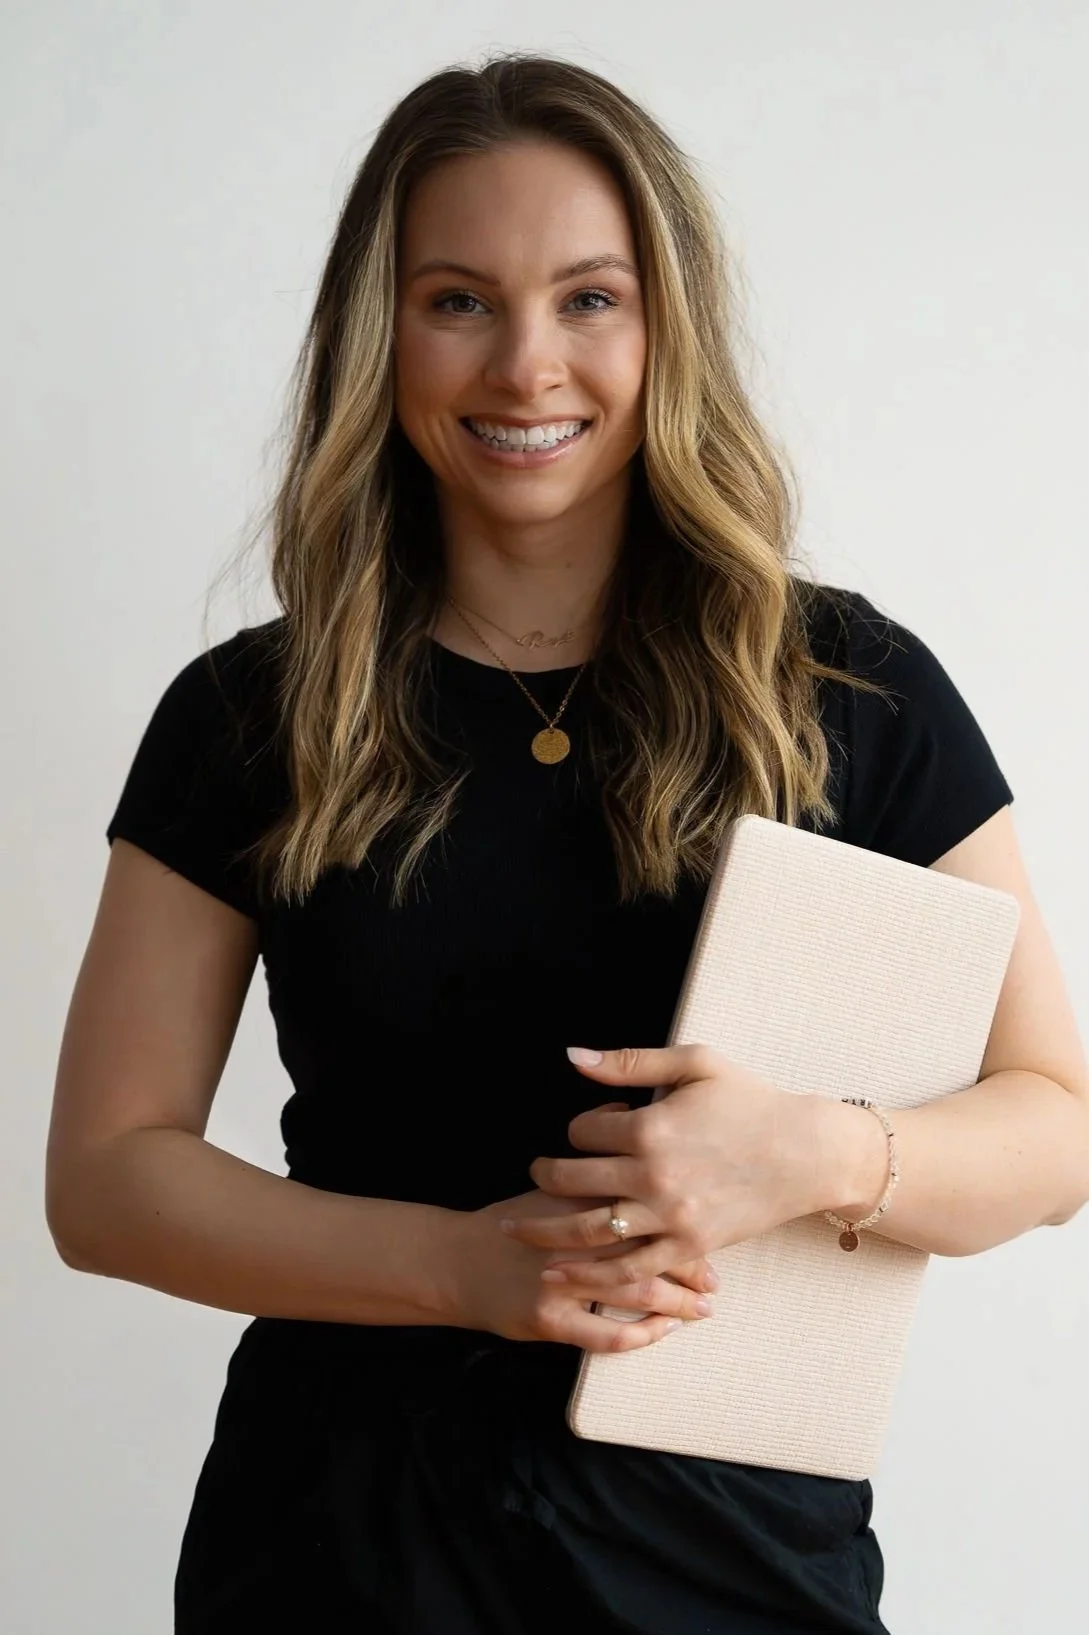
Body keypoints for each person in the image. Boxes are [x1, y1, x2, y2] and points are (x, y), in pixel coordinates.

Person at [46, 51, 1089, 1635]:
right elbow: (106, 1182)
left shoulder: (850, 690)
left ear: (664, 325)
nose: (528, 363)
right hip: (337, 1556)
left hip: (734, 1568)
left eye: (590, 298)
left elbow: (1058, 1125)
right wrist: (461, 1269)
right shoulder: (247, 715)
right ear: (374, 335)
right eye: (458, 298)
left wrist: (814, 1155)